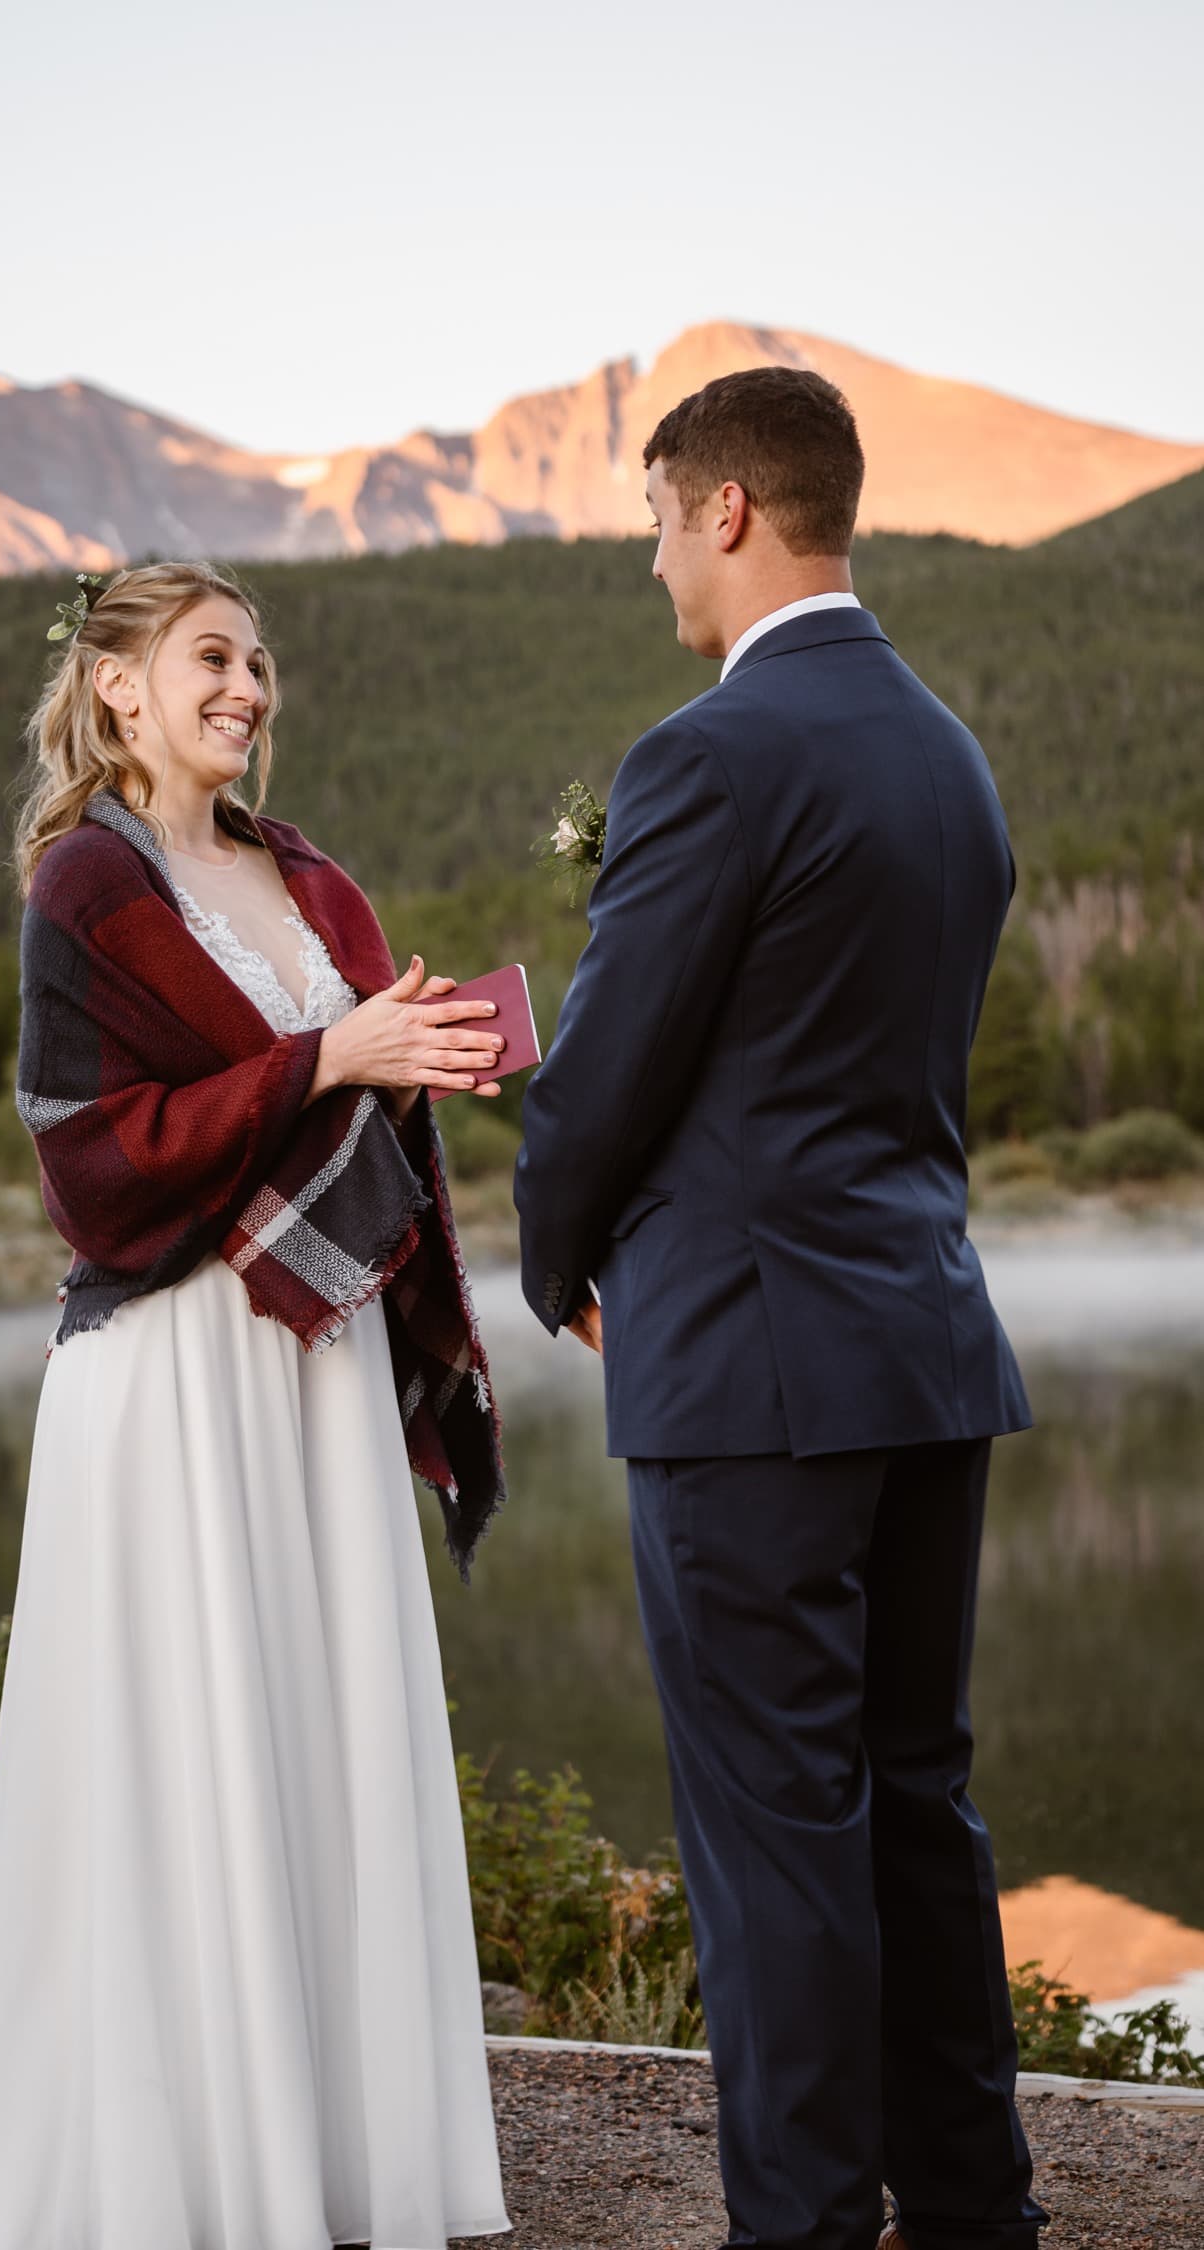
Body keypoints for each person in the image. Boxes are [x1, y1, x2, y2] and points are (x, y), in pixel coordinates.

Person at [514, 369, 1046, 2250]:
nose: (656, 559)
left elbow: (600, 1075)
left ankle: (805, 2225)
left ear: (729, 510)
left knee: (773, 1847)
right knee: (917, 1807)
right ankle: (978, 2209)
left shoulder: (708, 757)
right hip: (921, 1344)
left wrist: (559, 1262)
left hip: (749, 1372)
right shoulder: (945, 751)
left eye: (661, 519)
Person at [0, 560, 513, 2250]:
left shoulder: (310, 880)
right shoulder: (82, 887)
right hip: (171, 1366)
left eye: (260, 661)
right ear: (118, 687)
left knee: (316, 1734)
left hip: (313, 1368)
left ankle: (329, 2151)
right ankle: (186, 2170)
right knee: (185, 1747)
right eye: (211, 658)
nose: (248, 688)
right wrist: (335, 1060)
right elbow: (93, 1170)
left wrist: (421, 1053)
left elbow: (353, 1125)